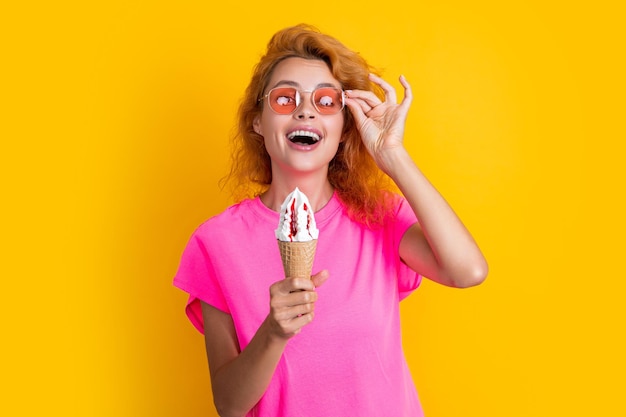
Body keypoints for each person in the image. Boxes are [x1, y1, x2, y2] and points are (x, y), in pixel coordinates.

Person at [173, 23, 488, 417]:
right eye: (286, 99)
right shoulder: (216, 242)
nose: (305, 109)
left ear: (342, 130)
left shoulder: (379, 216)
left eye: (325, 101)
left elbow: (468, 271)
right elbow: (230, 405)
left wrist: (393, 156)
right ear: (257, 122)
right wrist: (274, 333)